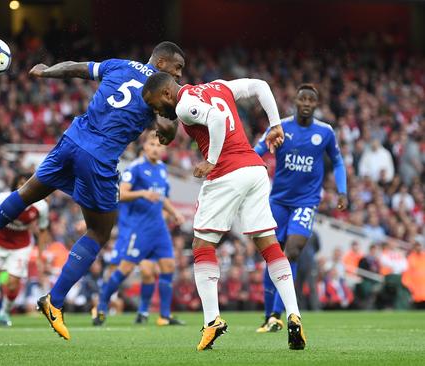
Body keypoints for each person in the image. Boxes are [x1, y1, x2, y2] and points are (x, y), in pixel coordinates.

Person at [0, 41, 186, 340]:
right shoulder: (159, 90)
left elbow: (75, 67)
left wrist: (47, 72)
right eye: (177, 69)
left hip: (72, 139)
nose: (178, 77)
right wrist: (168, 126)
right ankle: (54, 301)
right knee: (98, 233)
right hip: (98, 158)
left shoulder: (119, 64)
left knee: (29, 191)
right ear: (161, 64)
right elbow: (168, 128)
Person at [142, 72, 305, 350]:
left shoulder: (183, 104)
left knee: (202, 245)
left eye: (155, 103)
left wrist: (211, 160)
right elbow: (261, 85)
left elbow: (216, 120)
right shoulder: (218, 86)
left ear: (167, 93)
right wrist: (275, 124)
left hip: (227, 173)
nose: (157, 110)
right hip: (255, 171)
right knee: (268, 245)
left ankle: (212, 321)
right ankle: (294, 314)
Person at [253, 84, 348, 333]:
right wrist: (249, 172)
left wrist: (342, 191)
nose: (306, 103)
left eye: (311, 100)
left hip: (306, 202)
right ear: (295, 100)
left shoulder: (325, 132)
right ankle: (269, 315)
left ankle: (280, 314)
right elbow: (257, 152)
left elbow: (337, 162)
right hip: (279, 201)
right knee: (273, 256)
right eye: (302, 98)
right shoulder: (280, 127)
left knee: (292, 252)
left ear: (316, 105)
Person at [92, 131, 185, 326]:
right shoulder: (135, 169)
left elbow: (161, 196)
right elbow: (121, 194)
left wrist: (174, 212)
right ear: (144, 147)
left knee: (167, 267)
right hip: (138, 229)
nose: (155, 148)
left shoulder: (161, 169)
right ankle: (101, 304)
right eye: (152, 144)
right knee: (124, 269)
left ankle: (164, 316)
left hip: (158, 228)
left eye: (159, 146)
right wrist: (142, 193)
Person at [0, 173, 49, 327]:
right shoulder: (2, 198)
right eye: (21, 183)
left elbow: (43, 230)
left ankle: (4, 312)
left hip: (21, 246)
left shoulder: (41, 206)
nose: (24, 187)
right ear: (15, 185)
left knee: (13, 283)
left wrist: (40, 255)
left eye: (28, 183)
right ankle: (3, 270)